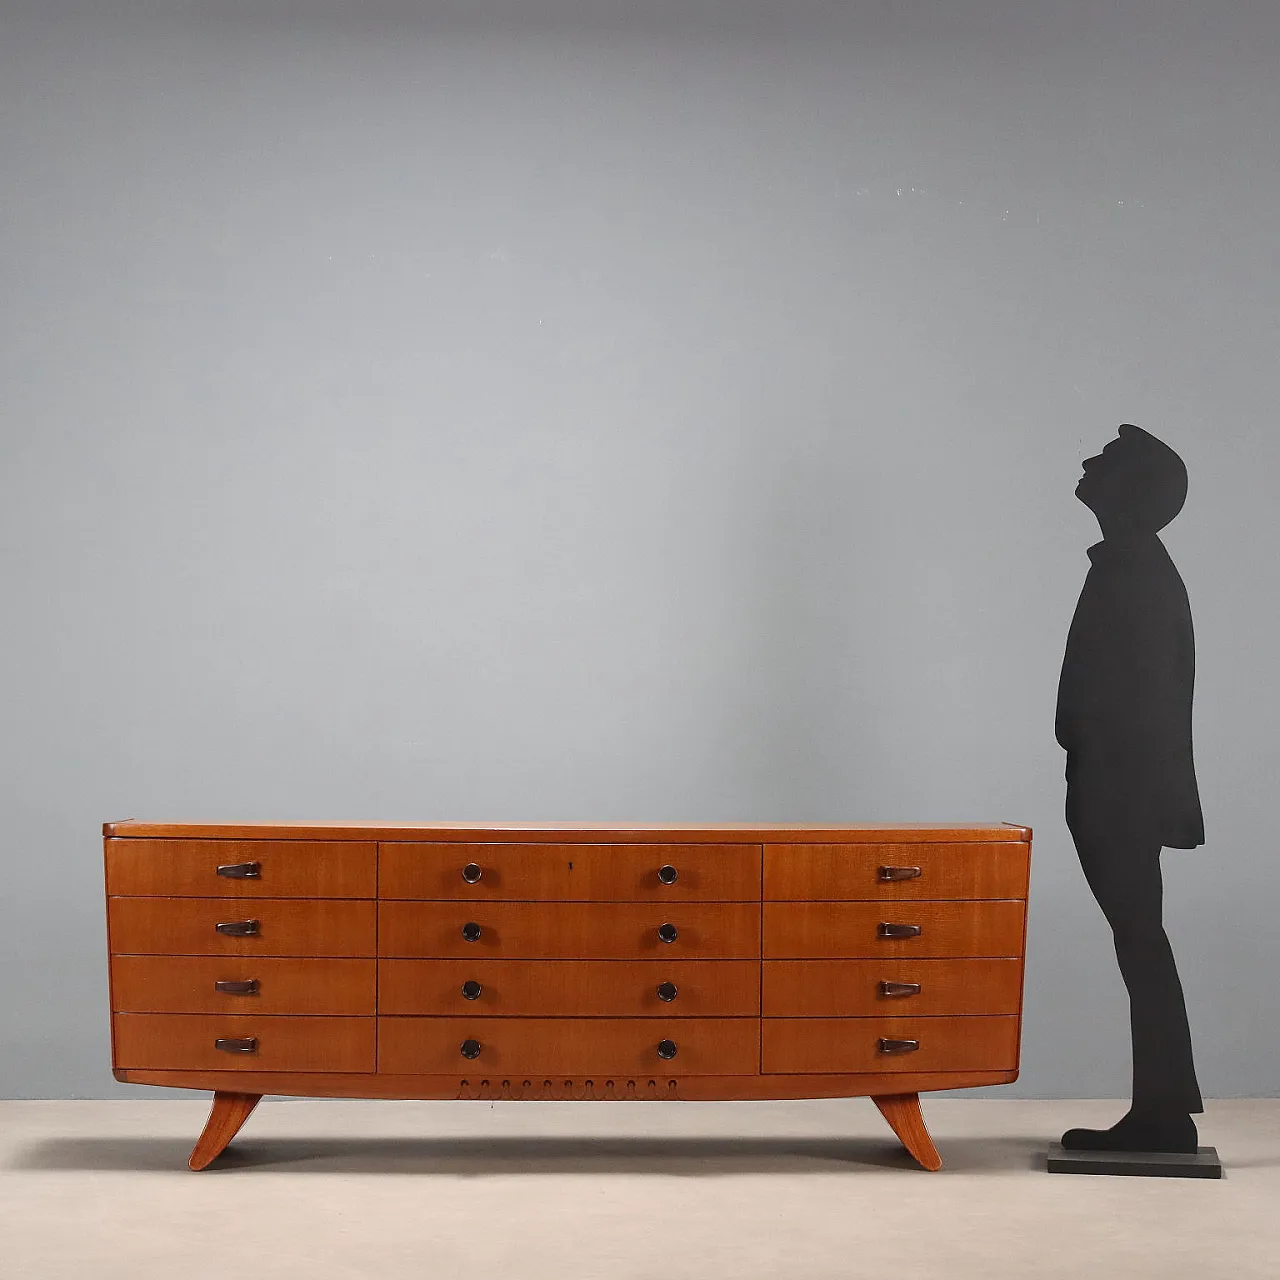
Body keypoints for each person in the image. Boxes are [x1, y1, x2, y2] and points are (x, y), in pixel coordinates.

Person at [1055, 424, 1204, 1153]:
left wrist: (1106, 778)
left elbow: (1147, 700)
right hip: (1116, 783)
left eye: (1107, 461)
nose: (1088, 463)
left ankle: (1163, 1112)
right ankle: (1163, 1108)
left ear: (1134, 489)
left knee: (1140, 939)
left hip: (1121, 788)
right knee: (1141, 939)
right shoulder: (1132, 566)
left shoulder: (1135, 571)